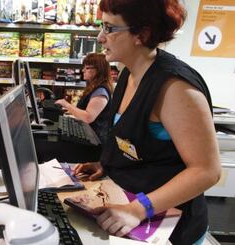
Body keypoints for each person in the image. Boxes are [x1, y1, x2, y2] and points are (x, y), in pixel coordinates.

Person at [74, 1, 221, 244]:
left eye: (109, 28)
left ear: (142, 34)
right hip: (131, 206)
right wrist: (108, 164)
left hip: (169, 226)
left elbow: (207, 171)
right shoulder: (127, 74)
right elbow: (133, 138)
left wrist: (138, 209)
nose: (101, 37)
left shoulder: (174, 88)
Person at [55, 53, 112, 142]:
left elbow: (88, 117)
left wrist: (66, 104)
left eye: (87, 68)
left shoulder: (101, 92)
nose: (83, 70)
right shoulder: (94, 87)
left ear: (99, 70)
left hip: (95, 142)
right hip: (88, 135)